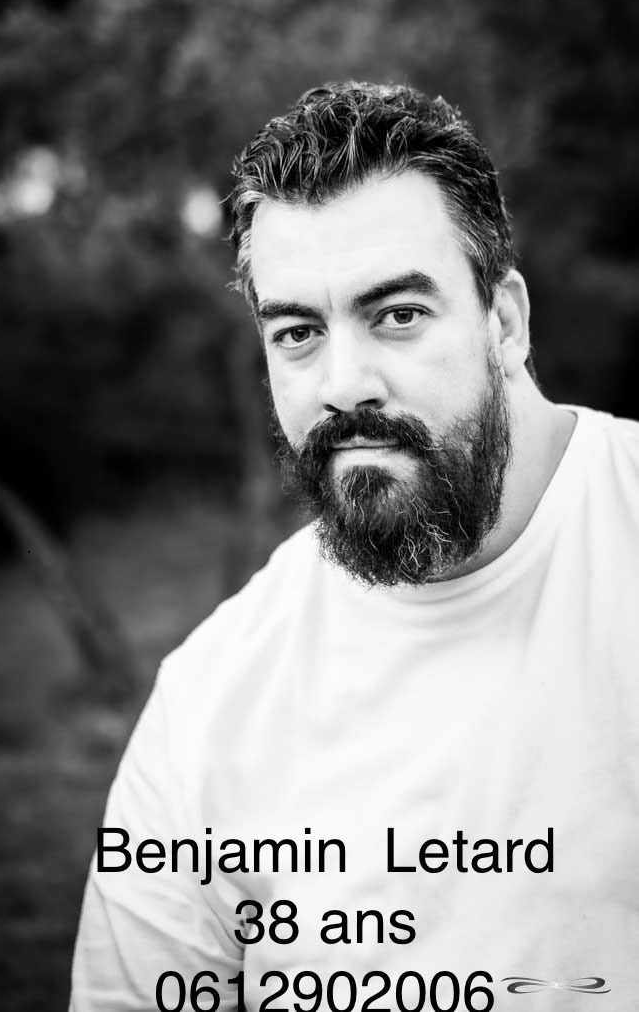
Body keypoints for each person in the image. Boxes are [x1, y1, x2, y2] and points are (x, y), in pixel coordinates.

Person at [69, 82, 639, 1011]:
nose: (343, 384)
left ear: (505, 322)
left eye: (398, 314)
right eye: (297, 332)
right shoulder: (212, 701)